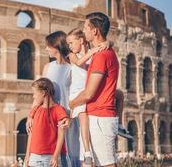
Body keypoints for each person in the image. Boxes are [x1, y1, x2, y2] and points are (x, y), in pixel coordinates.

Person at [69, 12, 119, 167]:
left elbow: (89, 93)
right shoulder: (105, 52)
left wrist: (71, 104)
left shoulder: (101, 56)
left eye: (85, 28)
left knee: (107, 164)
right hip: (100, 116)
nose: (83, 32)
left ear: (95, 31)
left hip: (100, 117)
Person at [26, 31, 74, 166]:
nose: (46, 48)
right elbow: (39, 93)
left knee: (66, 155)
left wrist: (70, 117)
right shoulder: (47, 67)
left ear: (56, 46)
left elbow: (75, 95)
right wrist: (31, 115)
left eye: (48, 46)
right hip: (48, 119)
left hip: (65, 119)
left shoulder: (71, 68)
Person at [24, 78, 68, 167]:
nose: (33, 96)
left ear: (43, 93)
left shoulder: (58, 110)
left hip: (50, 157)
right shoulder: (35, 110)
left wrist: (55, 156)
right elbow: (31, 134)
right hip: (34, 157)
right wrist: (27, 155)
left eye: (35, 93)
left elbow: (61, 135)